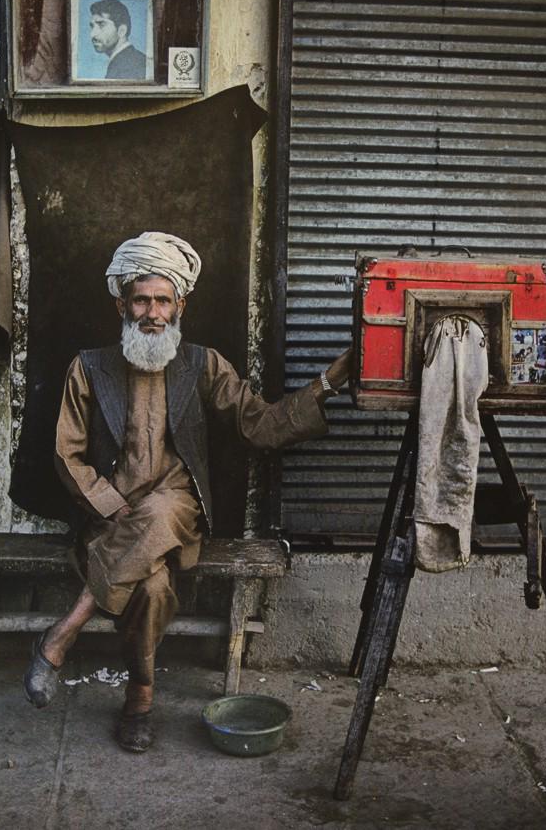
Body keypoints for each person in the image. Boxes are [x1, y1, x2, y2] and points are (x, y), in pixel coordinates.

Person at [24, 231, 351, 752]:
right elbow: (67, 454)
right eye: (141, 299)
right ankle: (140, 699)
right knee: (151, 589)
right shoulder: (88, 368)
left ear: (181, 304)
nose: (152, 312)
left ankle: (65, 630)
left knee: (163, 506)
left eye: (163, 300)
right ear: (121, 304)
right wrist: (109, 503)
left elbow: (261, 426)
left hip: (179, 520)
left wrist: (325, 387)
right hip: (110, 523)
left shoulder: (203, 364)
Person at [88, 0, 146, 80]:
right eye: (92, 26)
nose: (92, 34)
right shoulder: (134, 60)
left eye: (101, 24)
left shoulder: (129, 68)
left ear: (122, 31)